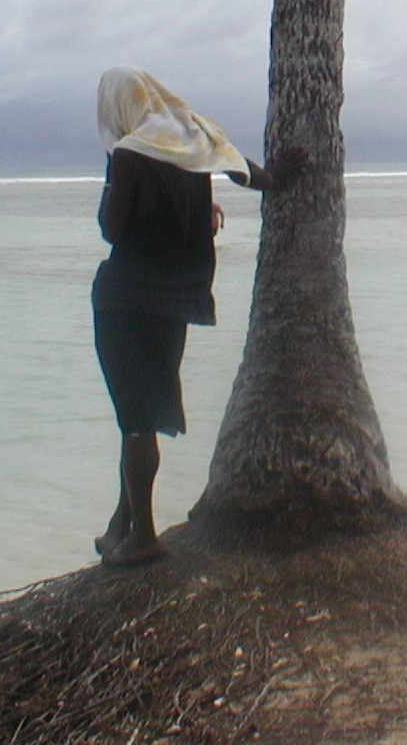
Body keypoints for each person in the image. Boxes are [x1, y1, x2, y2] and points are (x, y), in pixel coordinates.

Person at [89, 65, 292, 567]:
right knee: (138, 416)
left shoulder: (133, 152)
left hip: (128, 297)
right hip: (176, 299)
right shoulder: (195, 138)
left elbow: (112, 230)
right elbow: (255, 176)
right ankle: (122, 523)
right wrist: (286, 175)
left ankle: (144, 539)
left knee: (135, 420)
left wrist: (112, 173)